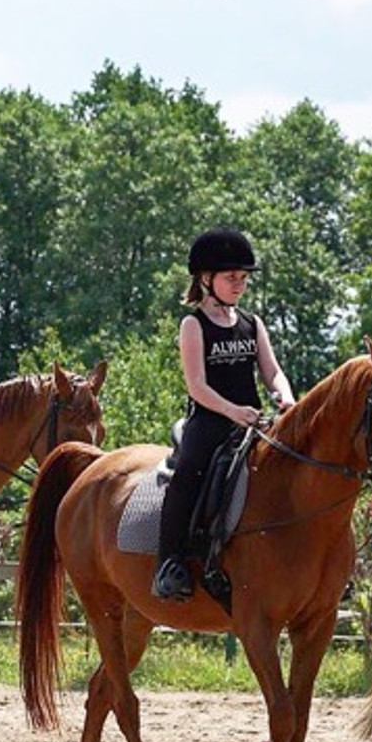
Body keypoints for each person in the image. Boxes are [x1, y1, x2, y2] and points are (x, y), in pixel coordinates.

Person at [153, 226, 295, 603]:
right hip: (211, 420)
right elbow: (196, 385)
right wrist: (233, 412)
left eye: (244, 278)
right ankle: (170, 564)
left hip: (253, 421)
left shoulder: (253, 324)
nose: (240, 285)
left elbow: (272, 371)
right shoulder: (193, 325)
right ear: (205, 278)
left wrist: (286, 398)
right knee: (188, 473)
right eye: (232, 278)